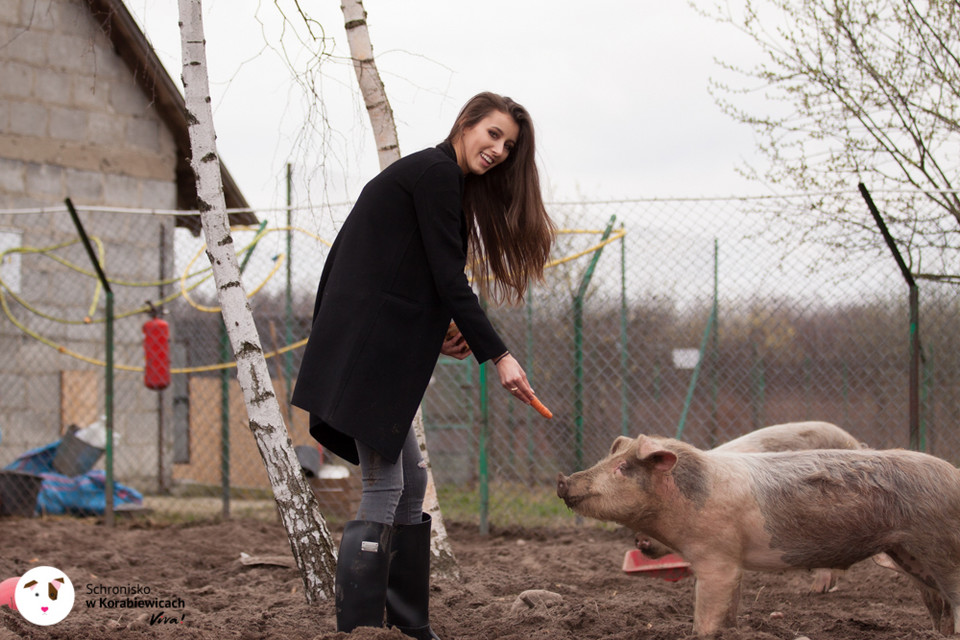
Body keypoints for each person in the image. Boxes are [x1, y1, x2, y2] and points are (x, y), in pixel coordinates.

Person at [291, 91, 555, 639]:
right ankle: (362, 627)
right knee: (386, 485)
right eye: (493, 135)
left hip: (369, 348)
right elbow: (445, 278)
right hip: (367, 356)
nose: (499, 150)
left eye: (508, 145)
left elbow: (394, 274)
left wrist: (438, 335)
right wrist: (498, 354)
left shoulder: (436, 177)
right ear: (466, 124)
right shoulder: (435, 173)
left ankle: (409, 625)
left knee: (411, 478)